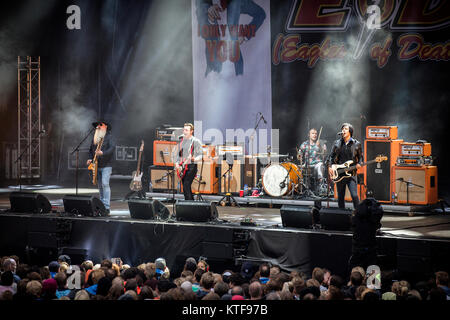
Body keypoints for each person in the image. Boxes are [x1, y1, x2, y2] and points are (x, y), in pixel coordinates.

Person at [327, 123, 363, 209]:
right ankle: (341, 215)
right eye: (342, 129)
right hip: (339, 173)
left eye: (346, 129)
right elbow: (331, 156)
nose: (343, 130)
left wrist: (359, 164)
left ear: (350, 131)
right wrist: (330, 167)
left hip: (351, 174)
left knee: (354, 196)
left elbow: (361, 157)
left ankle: (358, 214)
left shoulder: (356, 144)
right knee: (340, 197)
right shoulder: (337, 143)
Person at [87, 121, 116, 214]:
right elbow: (91, 150)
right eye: (97, 126)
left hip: (106, 165)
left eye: (100, 125)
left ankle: (106, 207)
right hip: (96, 165)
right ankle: (102, 206)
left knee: (104, 184)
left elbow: (112, 148)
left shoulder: (110, 137)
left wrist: (102, 153)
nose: (98, 127)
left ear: (106, 126)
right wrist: (90, 158)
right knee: (100, 185)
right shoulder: (95, 138)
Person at [174, 123, 203, 200]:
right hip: (182, 166)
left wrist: (193, 159)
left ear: (191, 131)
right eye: (184, 130)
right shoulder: (181, 140)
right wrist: (176, 163)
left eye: (186, 130)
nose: (184, 132)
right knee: (185, 187)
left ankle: (189, 203)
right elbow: (178, 154)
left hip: (191, 167)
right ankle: (189, 203)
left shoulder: (196, 141)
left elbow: (201, 155)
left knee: (186, 184)